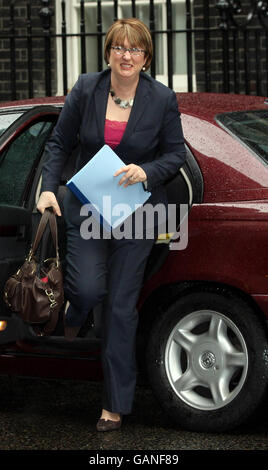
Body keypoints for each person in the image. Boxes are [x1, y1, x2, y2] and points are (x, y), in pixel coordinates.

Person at [37, 17, 186, 432]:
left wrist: (148, 172)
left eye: (135, 49)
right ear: (108, 52)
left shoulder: (161, 99)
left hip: (136, 215)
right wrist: (49, 188)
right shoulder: (86, 88)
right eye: (119, 47)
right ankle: (76, 310)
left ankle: (114, 405)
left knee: (120, 309)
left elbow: (175, 155)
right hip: (86, 207)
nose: (126, 55)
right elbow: (59, 143)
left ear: (146, 57)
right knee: (86, 288)